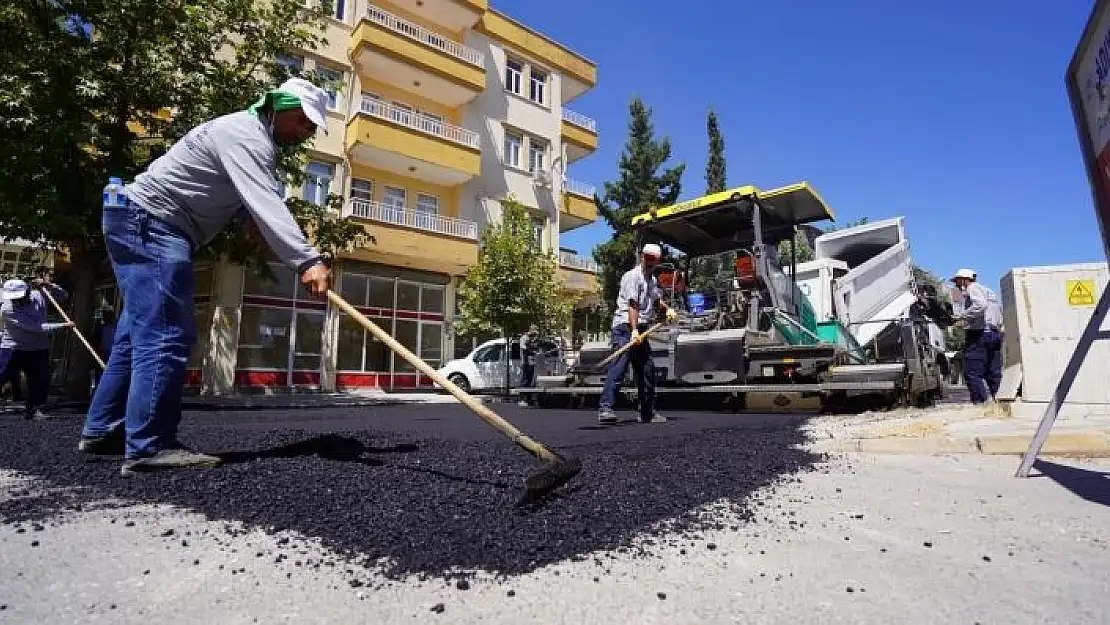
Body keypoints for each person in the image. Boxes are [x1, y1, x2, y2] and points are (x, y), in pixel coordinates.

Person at [78, 78, 333, 476]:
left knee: (135, 336)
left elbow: (223, 187)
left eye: (311, 128)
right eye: (302, 122)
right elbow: (268, 203)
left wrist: (242, 215)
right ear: (278, 107)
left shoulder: (243, 134)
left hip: (137, 218)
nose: (305, 133)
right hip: (154, 223)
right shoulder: (247, 136)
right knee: (166, 335)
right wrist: (307, 260)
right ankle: (149, 446)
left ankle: (102, 429)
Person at [597, 243, 678, 425]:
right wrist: (633, 331)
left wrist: (668, 310)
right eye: (647, 259)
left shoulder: (652, 280)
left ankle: (647, 412)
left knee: (647, 370)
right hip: (625, 328)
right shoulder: (632, 277)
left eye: (653, 260)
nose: (649, 263)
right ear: (642, 257)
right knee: (619, 366)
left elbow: (656, 301)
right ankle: (606, 408)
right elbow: (633, 306)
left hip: (641, 329)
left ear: (657, 261)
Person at [0, 277, 74, 419]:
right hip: (13, 348)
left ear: (27, 292)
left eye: (19, 297)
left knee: (39, 381)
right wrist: (63, 326)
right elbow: (35, 328)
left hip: (38, 348)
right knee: (2, 374)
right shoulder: (7, 309)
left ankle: (35, 409)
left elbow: (64, 296)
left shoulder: (38, 295)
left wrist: (49, 285)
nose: (16, 300)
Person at [950, 268, 1004, 404]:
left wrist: (961, 315)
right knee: (993, 372)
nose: (957, 286)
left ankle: (981, 404)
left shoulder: (972, 288)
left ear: (963, 279)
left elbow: (980, 305)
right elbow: (997, 315)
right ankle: (1000, 403)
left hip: (979, 335)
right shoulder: (990, 292)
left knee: (972, 372)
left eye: (957, 282)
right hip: (994, 334)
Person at [518, 325, 539, 407]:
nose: (535, 335)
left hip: (532, 362)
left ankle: (529, 399)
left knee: (531, 381)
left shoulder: (534, 339)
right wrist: (533, 350)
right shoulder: (524, 338)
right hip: (525, 362)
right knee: (525, 379)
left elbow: (535, 347)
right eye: (534, 332)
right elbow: (524, 348)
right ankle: (522, 399)